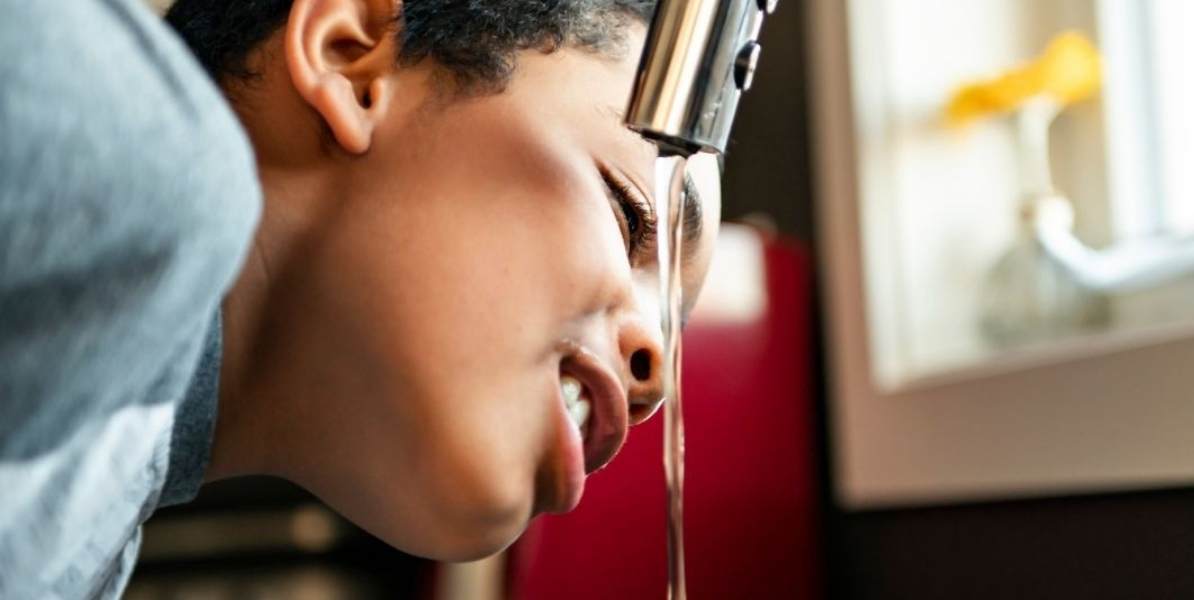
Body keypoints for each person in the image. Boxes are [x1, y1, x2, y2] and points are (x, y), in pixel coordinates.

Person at [0, 0, 721, 597]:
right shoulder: (153, 176)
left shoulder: (94, 548)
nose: (655, 372)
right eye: (628, 214)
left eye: (672, 319)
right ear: (351, 55)